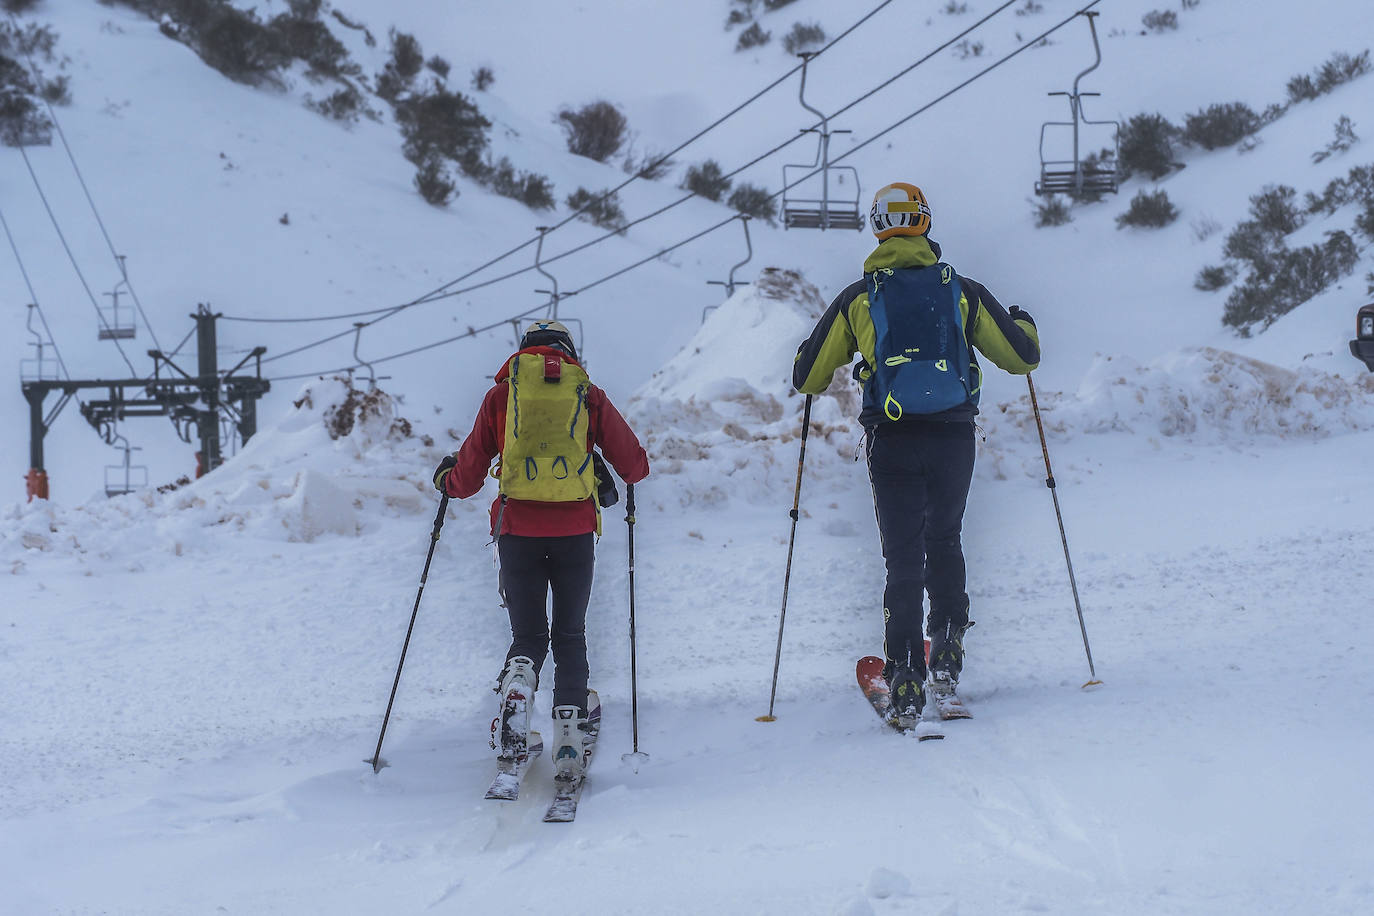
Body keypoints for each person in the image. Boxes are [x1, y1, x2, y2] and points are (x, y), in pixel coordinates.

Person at [792, 182, 1040, 722]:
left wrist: (806, 354)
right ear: (925, 222)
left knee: (902, 557)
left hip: (893, 440)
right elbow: (1022, 358)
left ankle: (904, 676)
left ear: (879, 228)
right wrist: (1024, 322)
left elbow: (807, 377)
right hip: (953, 438)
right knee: (945, 538)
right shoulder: (962, 290)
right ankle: (947, 650)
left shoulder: (860, 297)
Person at [433, 320, 649, 775]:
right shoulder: (587, 394)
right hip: (574, 530)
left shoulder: (502, 396)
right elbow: (634, 465)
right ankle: (569, 740)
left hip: (517, 531)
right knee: (569, 635)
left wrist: (446, 481)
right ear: (569, 353)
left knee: (529, 635)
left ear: (523, 353)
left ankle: (517, 688)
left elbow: (468, 475)